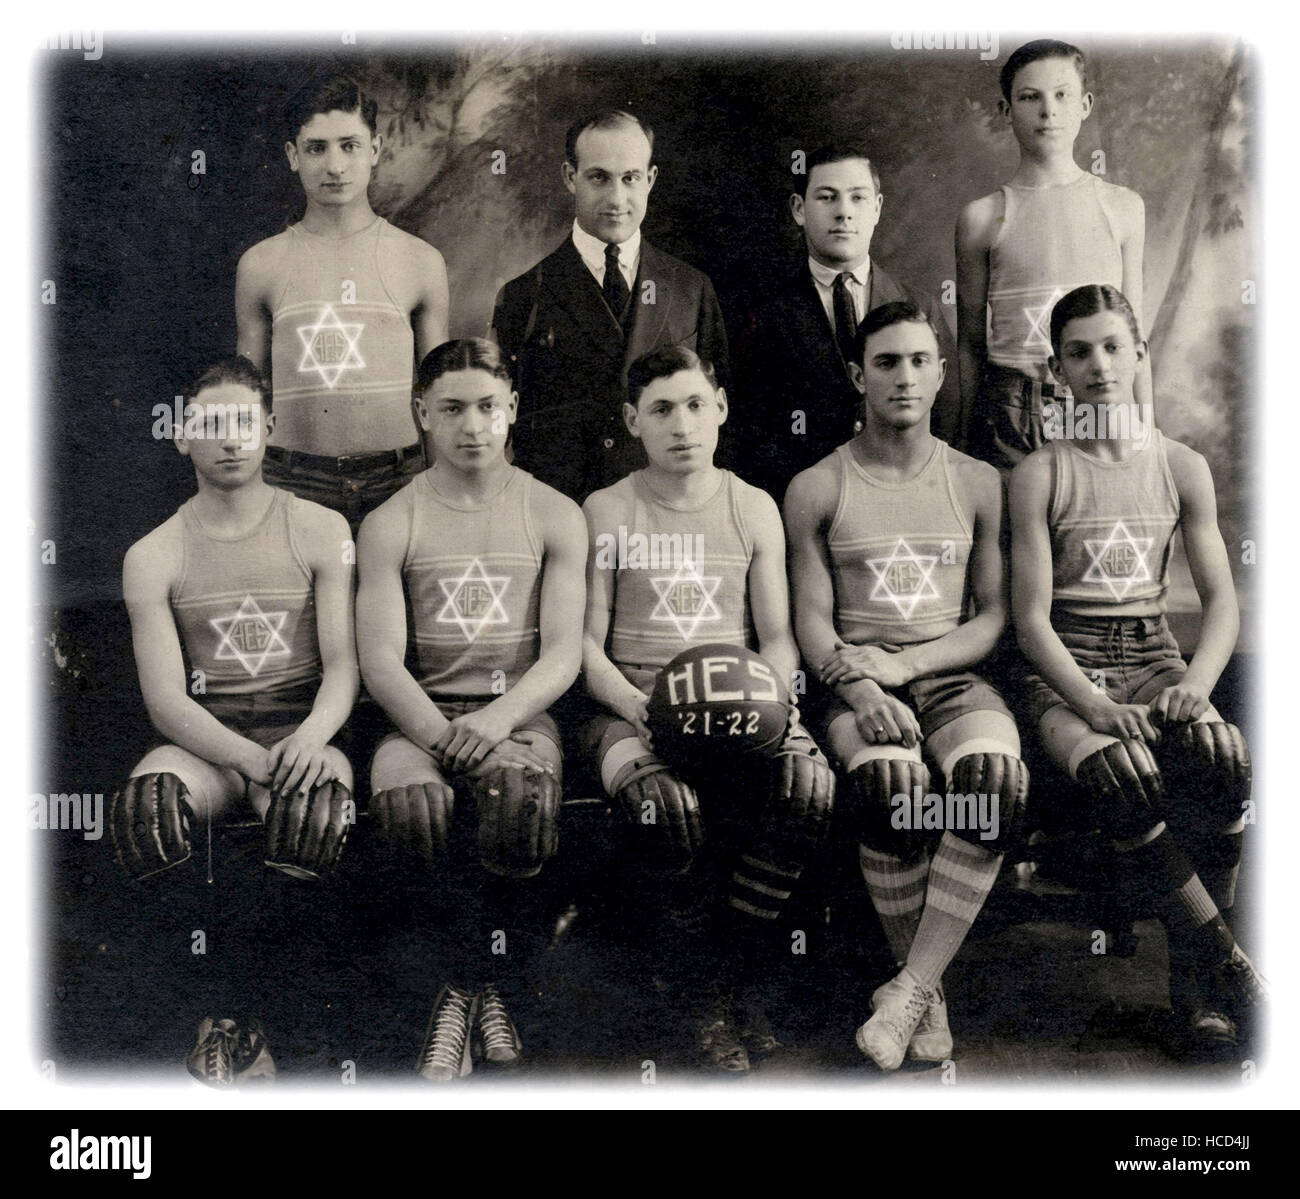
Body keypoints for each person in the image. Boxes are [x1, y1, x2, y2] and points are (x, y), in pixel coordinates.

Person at [1009, 283, 1263, 1054]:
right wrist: (1090, 703)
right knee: (1123, 775)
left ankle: (1195, 988)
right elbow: (1030, 622)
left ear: (1139, 353)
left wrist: (1195, 685)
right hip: (1068, 667)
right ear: (1056, 369)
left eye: (1113, 346)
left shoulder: (1181, 465)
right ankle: (1228, 965)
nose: (1099, 365)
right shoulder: (1040, 473)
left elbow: (1223, 603)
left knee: (1225, 757)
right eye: (1079, 352)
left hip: (1154, 655)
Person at [784, 302, 1028, 1071]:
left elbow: (993, 617)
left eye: (921, 360)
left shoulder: (979, 481)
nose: (905, 376)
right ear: (858, 375)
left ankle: (913, 987)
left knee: (992, 784)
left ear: (942, 373)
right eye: (887, 361)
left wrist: (908, 666)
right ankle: (929, 992)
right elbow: (812, 623)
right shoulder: (816, 485)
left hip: (950, 676)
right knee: (893, 790)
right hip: (856, 685)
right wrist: (864, 691)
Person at [581, 344, 834, 1073]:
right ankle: (699, 993)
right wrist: (637, 706)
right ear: (632, 420)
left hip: (739, 705)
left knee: (808, 787)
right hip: (632, 704)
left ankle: (734, 972)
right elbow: (584, 645)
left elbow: (778, 637)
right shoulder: (607, 509)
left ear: (720, 408)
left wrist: (775, 702)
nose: (682, 424)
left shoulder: (752, 506)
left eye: (696, 405)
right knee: (665, 807)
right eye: (661, 409)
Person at [109, 356, 358, 1085]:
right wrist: (248, 761)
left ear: (270, 428)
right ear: (181, 435)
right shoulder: (152, 553)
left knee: (311, 814)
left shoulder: (321, 528)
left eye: (244, 421)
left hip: (300, 731)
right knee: (149, 808)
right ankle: (217, 1015)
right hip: (210, 741)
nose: (230, 439)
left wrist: (307, 740)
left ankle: (285, 1020)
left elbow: (344, 667)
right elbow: (166, 702)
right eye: (211, 424)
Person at [355, 338, 587, 1080]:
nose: (473, 425)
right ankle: (455, 994)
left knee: (518, 796)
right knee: (413, 806)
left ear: (512, 408)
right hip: (418, 717)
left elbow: (562, 654)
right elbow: (380, 662)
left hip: (515, 714)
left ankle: (486, 991)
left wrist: (494, 722)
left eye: (489, 406)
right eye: (452, 408)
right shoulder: (391, 520)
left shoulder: (553, 511)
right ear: (421, 413)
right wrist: (440, 734)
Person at [236, 72, 450, 532]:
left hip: (399, 480)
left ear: (374, 150)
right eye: (316, 148)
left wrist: (443, 497)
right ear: (293, 155)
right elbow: (245, 395)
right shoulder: (260, 264)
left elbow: (440, 393)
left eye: (349, 146)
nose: (335, 166)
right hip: (291, 480)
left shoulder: (421, 261)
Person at [492, 110, 730, 502]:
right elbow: (500, 426)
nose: (617, 199)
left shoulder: (690, 289)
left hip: (668, 505)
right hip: (564, 509)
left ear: (650, 179)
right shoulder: (523, 295)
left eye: (630, 178)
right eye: (599, 178)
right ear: (571, 177)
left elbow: (721, 420)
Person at [956, 40, 1150, 472]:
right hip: (1010, 416)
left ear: (1085, 105)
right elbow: (970, 344)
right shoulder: (981, 217)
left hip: (1098, 406)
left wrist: (1146, 430)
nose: (1048, 111)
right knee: (1015, 515)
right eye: (1030, 97)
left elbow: (1134, 337)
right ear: (1006, 110)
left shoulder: (1122, 207)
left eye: (1062, 95)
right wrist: (966, 442)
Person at [736, 144, 961, 500]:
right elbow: (748, 429)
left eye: (858, 198)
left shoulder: (919, 306)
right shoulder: (762, 313)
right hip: (803, 501)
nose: (844, 212)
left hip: (905, 495)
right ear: (799, 209)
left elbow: (947, 415)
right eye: (827, 198)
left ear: (877, 208)